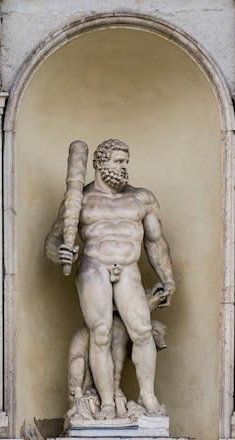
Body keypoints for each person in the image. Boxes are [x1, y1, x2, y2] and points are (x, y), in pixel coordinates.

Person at [45, 139, 175, 419]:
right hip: (94, 266)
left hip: (129, 268)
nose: (123, 167)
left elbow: (156, 242)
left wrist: (168, 277)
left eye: (126, 161)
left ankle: (148, 397)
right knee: (100, 333)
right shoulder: (79, 200)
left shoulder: (142, 198)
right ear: (99, 164)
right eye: (118, 161)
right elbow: (53, 241)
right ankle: (106, 403)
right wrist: (61, 253)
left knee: (141, 330)